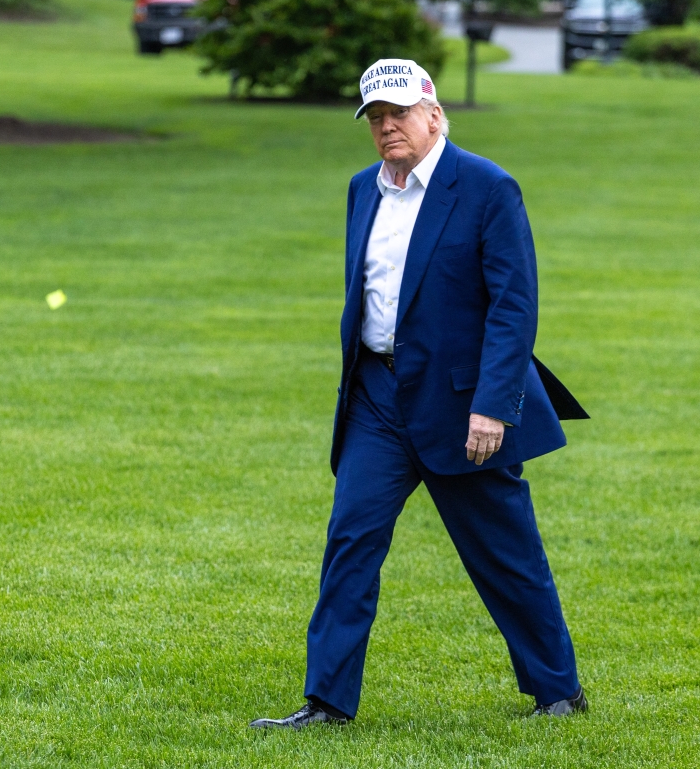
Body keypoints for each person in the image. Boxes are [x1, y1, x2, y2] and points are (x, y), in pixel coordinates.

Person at [250, 59, 587, 730]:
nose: (386, 127)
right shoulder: (363, 189)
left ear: (434, 114)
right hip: (377, 397)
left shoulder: (487, 187)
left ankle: (558, 692)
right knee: (351, 539)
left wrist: (493, 404)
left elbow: (514, 305)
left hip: (463, 406)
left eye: (399, 113)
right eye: (375, 117)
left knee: (505, 553)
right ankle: (327, 702)